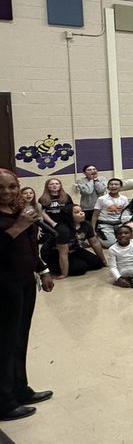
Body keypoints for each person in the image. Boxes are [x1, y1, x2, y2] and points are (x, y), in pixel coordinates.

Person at [0, 169, 55, 422]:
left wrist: (42, 269)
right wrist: (20, 225)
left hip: (24, 282)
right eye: (1, 188)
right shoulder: (15, 217)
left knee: (20, 338)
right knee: (5, 343)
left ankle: (20, 390)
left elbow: (30, 245)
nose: (7, 192)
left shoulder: (20, 211)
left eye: (12, 187)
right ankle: (4, 402)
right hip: (4, 285)